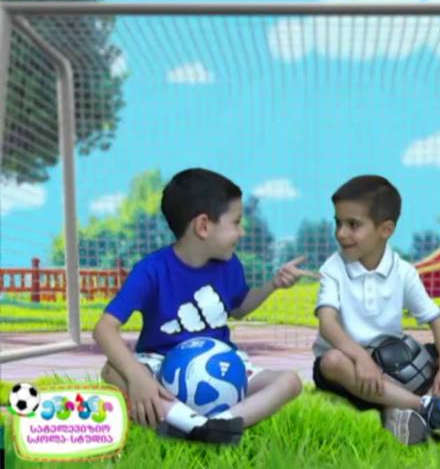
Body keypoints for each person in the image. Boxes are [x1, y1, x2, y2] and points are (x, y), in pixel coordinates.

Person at [94, 168, 309, 444]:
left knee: (289, 381)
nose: (242, 232)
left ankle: (215, 424)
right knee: (112, 371)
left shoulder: (230, 265)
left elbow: (238, 308)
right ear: (204, 226)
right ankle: (195, 424)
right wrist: (138, 377)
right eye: (236, 222)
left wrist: (272, 285)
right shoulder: (152, 270)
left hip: (223, 366)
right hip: (162, 366)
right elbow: (104, 328)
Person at [312, 175, 440, 445]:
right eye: (338, 223)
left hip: (396, 361)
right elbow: (327, 324)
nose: (341, 233)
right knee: (331, 361)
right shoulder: (333, 269)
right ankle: (427, 407)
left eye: (353, 225)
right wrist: (361, 359)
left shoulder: (403, 271)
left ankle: (404, 411)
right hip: (354, 366)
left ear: (385, 229)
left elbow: (436, 321)